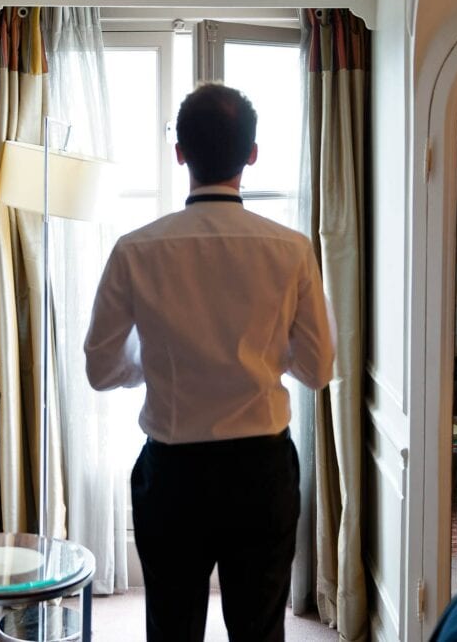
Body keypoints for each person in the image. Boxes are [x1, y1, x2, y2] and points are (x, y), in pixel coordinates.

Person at [84, 83, 334, 641]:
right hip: (261, 470)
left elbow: (101, 370)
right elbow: (318, 369)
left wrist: (160, 359)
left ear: (180, 152)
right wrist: (263, 354)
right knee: (259, 630)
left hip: (174, 474)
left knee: (171, 630)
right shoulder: (291, 248)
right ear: (252, 154)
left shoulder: (136, 248)